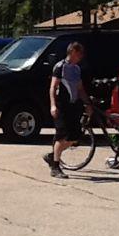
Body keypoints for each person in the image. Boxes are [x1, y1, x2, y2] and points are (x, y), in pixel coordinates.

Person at [43, 42, 92, 179]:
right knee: (61, 135)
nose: (80, 56)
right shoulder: (60, 67)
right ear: (71, 52)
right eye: (78, 53)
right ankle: (55, 167)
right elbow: (53, 87)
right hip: (61, 105)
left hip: (73, 105)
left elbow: (80, 89)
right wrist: (53, 105)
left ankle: (52, 155)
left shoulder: (76, 69)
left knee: (75, 137)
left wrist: (87, 103)